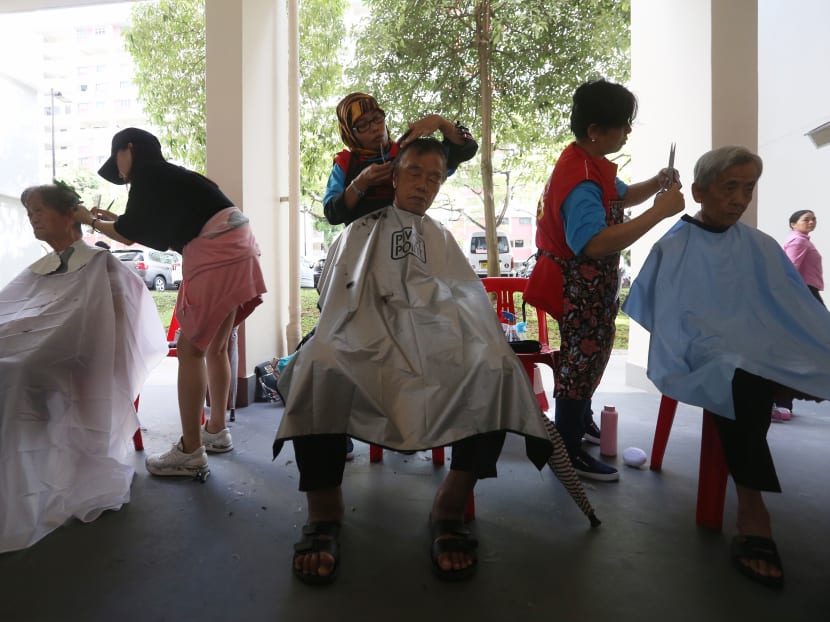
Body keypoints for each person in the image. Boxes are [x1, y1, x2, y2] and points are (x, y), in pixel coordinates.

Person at [274, 138, 554, 584]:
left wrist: (459, 338)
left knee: (496, 368)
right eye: (415, 172)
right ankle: (324, 513)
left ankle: (449, 505)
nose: (424, 184)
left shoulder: (440, 237)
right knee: (318, 365)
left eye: (434, 178)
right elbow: (338, 301)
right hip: (362, 339)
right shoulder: (360, 231)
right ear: (394, 174)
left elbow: (463, 300)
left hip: (438, 342)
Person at [622, 146, 830, 589]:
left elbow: (792, 306)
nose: (739, 199)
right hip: (699, 350)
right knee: (738, 375)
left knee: (783, 361)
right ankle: (753, 511)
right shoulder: (675, 244)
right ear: (698, 191)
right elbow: (663, 314)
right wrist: (718, 336)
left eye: (748, 189)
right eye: (729, 188)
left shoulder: (760, 245)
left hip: (757, 345)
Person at [73, 127, 266, 478]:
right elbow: (150, 229)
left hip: (215, 251)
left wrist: (89, 220)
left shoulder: (147, 174)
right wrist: (110, 220)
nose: (122, 175)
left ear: (128, 149)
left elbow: (130, 236)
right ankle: (216, 431)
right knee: (217, 348)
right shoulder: (173, 176)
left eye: (119, 166)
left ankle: (191, 451)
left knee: (191, 350)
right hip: (240, 244)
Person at [529, 78, 685, 481]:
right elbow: (594, 244)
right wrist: (659, 212)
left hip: (590, 287)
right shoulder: (580, 178)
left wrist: (657, 184)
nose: (628, 132)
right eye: (622, 125)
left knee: (591, 356)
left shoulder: (588, 162)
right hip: (577, 286)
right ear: (596, 131)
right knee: (581, 360)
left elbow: (619, 195)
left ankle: (579, 420)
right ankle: (566, 444)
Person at [0, 183, 168, 553]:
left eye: (40, 210)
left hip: (77, 359)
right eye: (29, 213)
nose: (33, 218)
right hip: (43, 350)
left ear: (69, 214)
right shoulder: (39, 269)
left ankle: (23, 485)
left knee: (16, 371)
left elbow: (120, 323)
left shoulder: (100, 263)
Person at [322, 91, 478, 226]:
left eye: (377, 118)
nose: (375, 127)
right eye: (363, 125)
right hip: (363, 253)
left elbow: (466, 150)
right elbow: (332, 214)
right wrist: (361, 183)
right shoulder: (345, 164)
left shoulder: (407, 152)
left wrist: (441, 122)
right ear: (349, 133)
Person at [771, 210, 826, 420]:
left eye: (814, 218)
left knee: (799, 349)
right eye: (806, 219)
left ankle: (783, 402)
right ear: (793, 224)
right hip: (805, 296)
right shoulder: (799, 242)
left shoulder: (801, 240)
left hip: (806, 295)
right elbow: (789, 272)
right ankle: (782, 402)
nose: (811, 222)